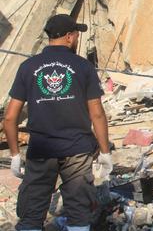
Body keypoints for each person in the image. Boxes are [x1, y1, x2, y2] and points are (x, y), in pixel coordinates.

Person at [3, 14, 112, 231]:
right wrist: (105, 151)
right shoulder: (83, 67)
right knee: (79, 213)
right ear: (70, 37)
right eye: (77, 35)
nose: (78, 39)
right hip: (77, 152)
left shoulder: (28, 67)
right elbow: (97, 114)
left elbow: (10, 117)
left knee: (31, 213)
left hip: (41, 150)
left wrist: (15, 155)